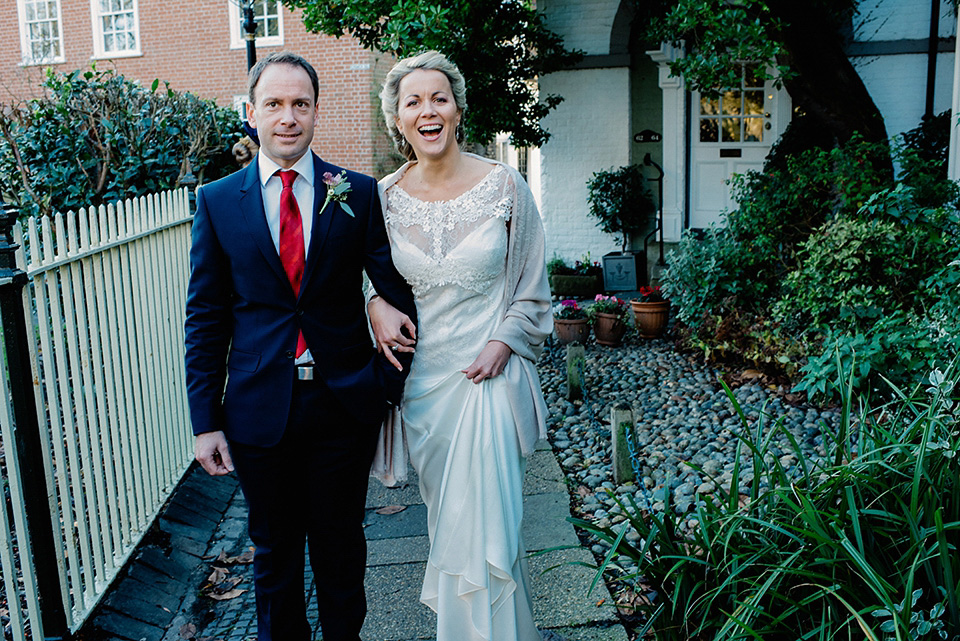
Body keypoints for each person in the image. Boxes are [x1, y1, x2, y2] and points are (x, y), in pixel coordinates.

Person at [184, 51, 416, 641]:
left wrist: (382, 388)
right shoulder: (216, 202)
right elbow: (206, 318)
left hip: (342, 406)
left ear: (316, 111)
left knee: (341, 551)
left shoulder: (357, 193)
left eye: (300, 104)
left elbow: (396, 295)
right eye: (275, 104)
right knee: (274, 556)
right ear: (252, 113)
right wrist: (205, 420)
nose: (288, 117)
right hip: (260, 410)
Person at [367, 50, 553, 641]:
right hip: (425, 393)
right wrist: (373, 305)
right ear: (397, 119)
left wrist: (504, 341)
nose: (427, 110)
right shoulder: (382, 199)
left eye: (438, 98)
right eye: (413, 101)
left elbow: (533, 286)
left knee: (494, 526)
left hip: (490, 380)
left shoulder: (506, 186)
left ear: (457, 110)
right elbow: (361, 278)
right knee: (450, 527)